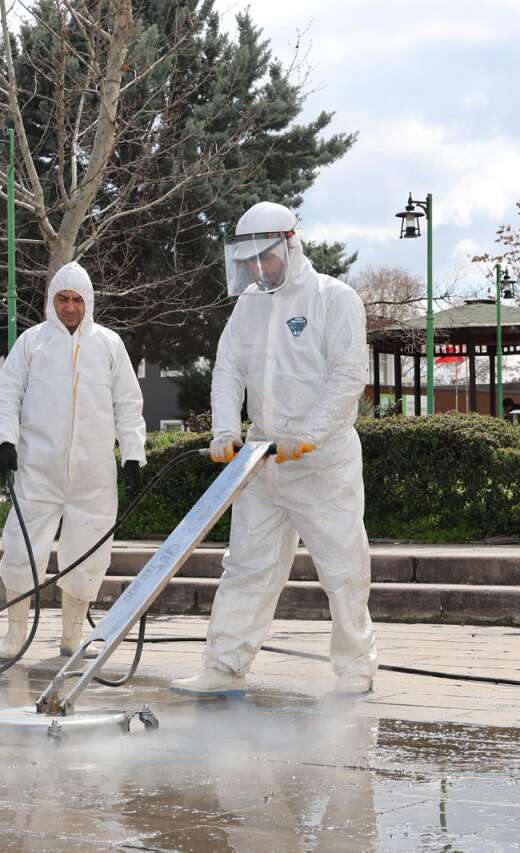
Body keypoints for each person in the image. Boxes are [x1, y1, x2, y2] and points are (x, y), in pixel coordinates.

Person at [171, 201, 377, 698]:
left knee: (343, 565)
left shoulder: (335, 298)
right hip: (262, 462)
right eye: (250, 262)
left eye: (266, 258)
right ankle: (224, 666)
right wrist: (224, 430)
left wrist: (310, 433)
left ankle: (355, 669)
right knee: (247, 565)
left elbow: (350, 375)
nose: (259, 269)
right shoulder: (249, 305)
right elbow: (228, 371)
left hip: (322, 463)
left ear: (290, 243)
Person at [0, 261, 146, 659]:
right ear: (51, 300)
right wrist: (5, 442)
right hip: (38, 469)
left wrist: (133, 454)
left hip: (93, 473)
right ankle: (15, 632)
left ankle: (73, 635)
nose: (71, 307)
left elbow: (128, 404)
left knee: (89, 550)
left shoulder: (109, 345)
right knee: (22, 547)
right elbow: (7, 396)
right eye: (63, 298)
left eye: (78, 299)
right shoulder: (30, 343)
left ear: (89, 301)